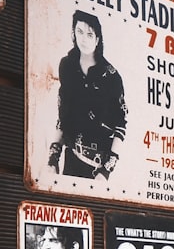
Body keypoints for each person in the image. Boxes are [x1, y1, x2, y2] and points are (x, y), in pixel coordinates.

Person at [48, 10, 127, 179]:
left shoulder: (112, 76)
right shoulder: (67, 66)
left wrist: (106, 170)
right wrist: (53, 157)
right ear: (73, 33)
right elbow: (64, 114)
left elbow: (121, 124)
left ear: (98, 39)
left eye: (90, 34)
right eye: (80, 32)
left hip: (98, 170)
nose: (84, 39)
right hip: (71, 158)